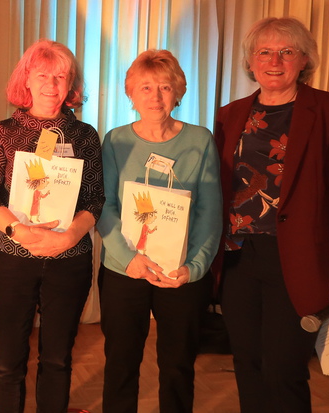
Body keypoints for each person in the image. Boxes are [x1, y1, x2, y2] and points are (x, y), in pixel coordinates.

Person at [215, 17, 329, 412]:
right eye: (264, 52)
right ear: (251, 62)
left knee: (284, 369)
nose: (275, 61)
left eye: (287, 52)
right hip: (237, 257)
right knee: (247, 363)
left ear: (304, 60)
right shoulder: (230, 115)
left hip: (298, 260)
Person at [0, 39, 105, 413]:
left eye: (61, 76)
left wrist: (70, 236)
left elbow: (95, 199)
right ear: (27, 80)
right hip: (13, 259)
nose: (51, 84)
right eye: (43, 75)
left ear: (71, 84)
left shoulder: (85, 135)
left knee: (58, 359)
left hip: (69, 260)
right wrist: (17, 231)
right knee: (7, 361)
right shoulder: (4, 131)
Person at [97, 49, 222, 412]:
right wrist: (128, 259)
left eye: (165, 87)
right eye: (146, 87)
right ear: (131, 93)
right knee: (120, 364)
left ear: (177, 92)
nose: (155, 96)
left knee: (178, 366)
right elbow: (103, 206)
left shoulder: (200, 140)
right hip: (124, 270)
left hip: (180, 272)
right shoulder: (115, 141)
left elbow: (210, 211)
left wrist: (194, 267)